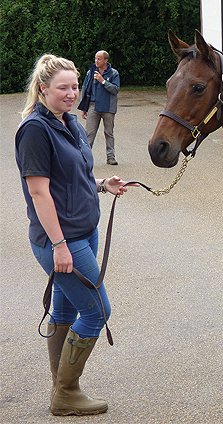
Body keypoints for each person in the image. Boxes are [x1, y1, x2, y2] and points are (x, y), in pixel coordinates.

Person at [15, 54, 136, 416]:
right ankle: (66, 393)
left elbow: (74, 175)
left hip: (84, 230)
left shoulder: (70, 122)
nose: (71, 94)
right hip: (61, 239)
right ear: (42, 89)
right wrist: (59, 246)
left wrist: (102, 184)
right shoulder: (35, 129)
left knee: (67, 308)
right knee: (98, 309)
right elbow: (39, 192)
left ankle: (61, 389)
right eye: (62, 88)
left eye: (73, 87)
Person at [78, 50, 120, 165]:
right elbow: (85, 88)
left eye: (99, 59)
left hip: (108, 107)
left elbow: (115, 90)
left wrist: (103, 81)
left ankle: (110, 157)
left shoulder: (113, 73)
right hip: (93, 106)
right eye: (96, 58)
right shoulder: (90, 72)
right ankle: (84, 157)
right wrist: (83, 107)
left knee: (109, 133)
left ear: (106, 60)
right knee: (89, 133)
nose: (96, 61)